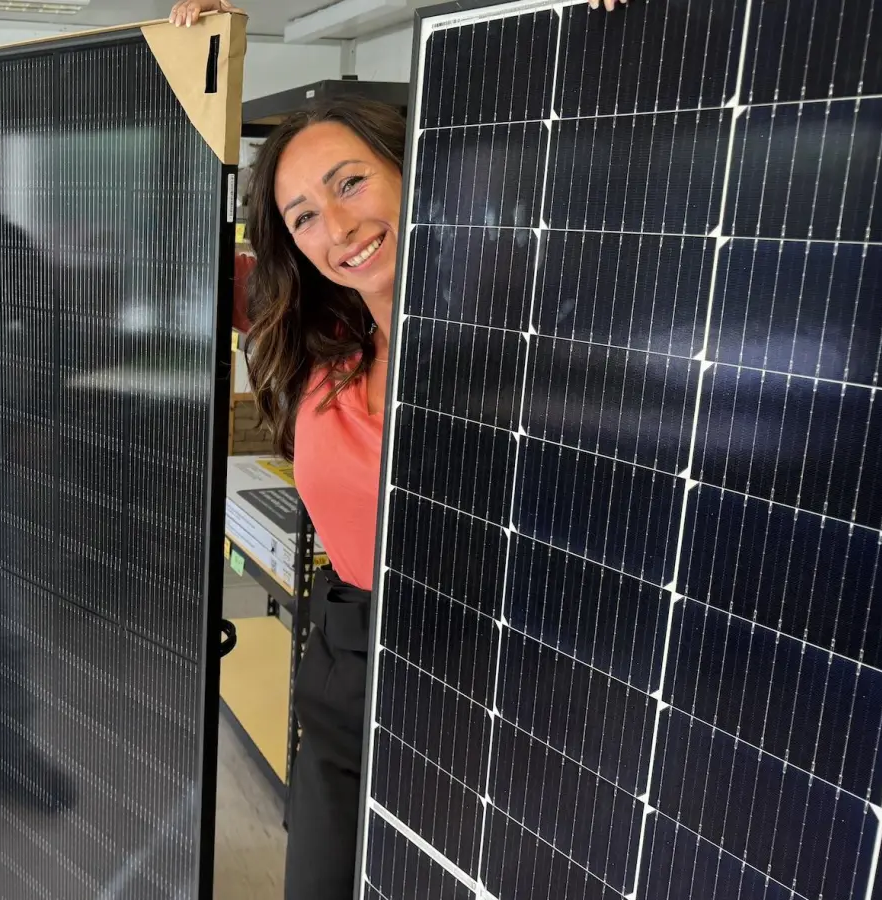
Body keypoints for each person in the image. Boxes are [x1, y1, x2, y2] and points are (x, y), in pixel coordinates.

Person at [169, 1, 626, 896]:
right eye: (301, 214)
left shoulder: (527, 345)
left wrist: (605, 41)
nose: (333, 227)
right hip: (345, 653)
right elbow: (169, 229)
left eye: (349, 183)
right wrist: (202, 67)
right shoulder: (319, 349)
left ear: (414, 168)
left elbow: (602, 183)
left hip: (488, 669)